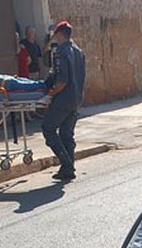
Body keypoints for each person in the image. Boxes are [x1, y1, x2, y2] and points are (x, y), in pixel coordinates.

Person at [41, 21, 86, 181]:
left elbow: (62, 81)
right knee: (67, 134)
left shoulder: (61, 52)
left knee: (48, 128)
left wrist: (51, 94)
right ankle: (68, 169)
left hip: (63, 99)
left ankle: (67, 164)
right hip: (76, 99)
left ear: (59, 34)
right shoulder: (78, 51)